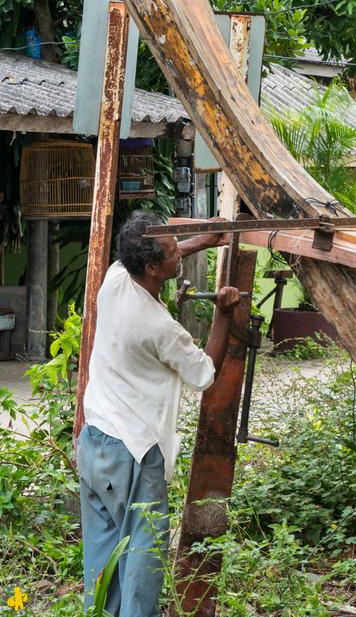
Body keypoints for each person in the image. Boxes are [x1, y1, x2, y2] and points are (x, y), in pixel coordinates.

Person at [77, 211, 240, 617]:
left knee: (103, 555)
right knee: (142, 561)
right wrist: (224, 312)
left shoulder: (115, 278)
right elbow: (203, 373)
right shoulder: (158, 325)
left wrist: (203, 240)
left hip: (95, 444)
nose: (178, 254)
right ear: (152, 268)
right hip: (134, 453)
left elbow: (163, 251)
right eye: (173, 252)